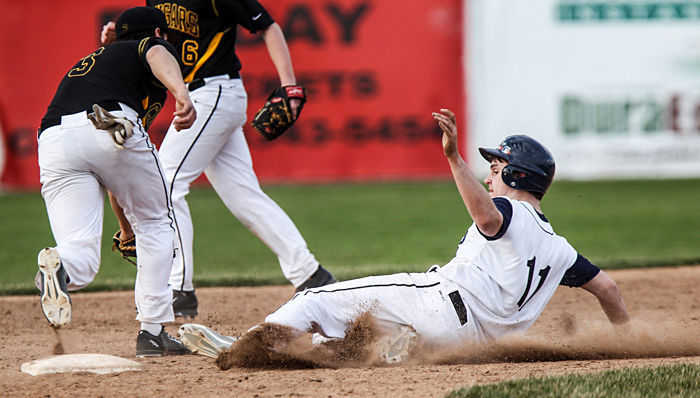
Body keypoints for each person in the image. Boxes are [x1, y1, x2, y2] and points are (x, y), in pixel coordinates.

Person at [178, 109, 630, 363]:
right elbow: (608, 290)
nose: (489, 176)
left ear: (514, 174)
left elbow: (489, 218)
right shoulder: (561, 249)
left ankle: (249, 345)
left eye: (494, 169)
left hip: (441, 303)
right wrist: (624, 339)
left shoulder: (508, 210)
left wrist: (453, 158)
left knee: (315, 298)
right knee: (355, 337)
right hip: (470, 346)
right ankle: (361, 349)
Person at [101, 0, 337, 320]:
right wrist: (127, 36)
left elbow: (267, 25)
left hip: (214, 92)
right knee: (243, 195)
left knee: (166, 183)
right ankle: (311, 274)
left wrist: (289, 83)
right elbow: (158, 43)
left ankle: (178, 289)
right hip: (197, 95)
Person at [36, 6, 197, 357]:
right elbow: (156, 53)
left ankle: (58, 265)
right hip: (109, 124)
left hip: (53, 141)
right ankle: (152, 333)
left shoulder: (100, 60)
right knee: (156, 224)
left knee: (80, 251)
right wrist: (182, 93)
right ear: (156, 32)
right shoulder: (146, 47)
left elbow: (116, 179)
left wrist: (126, 230)